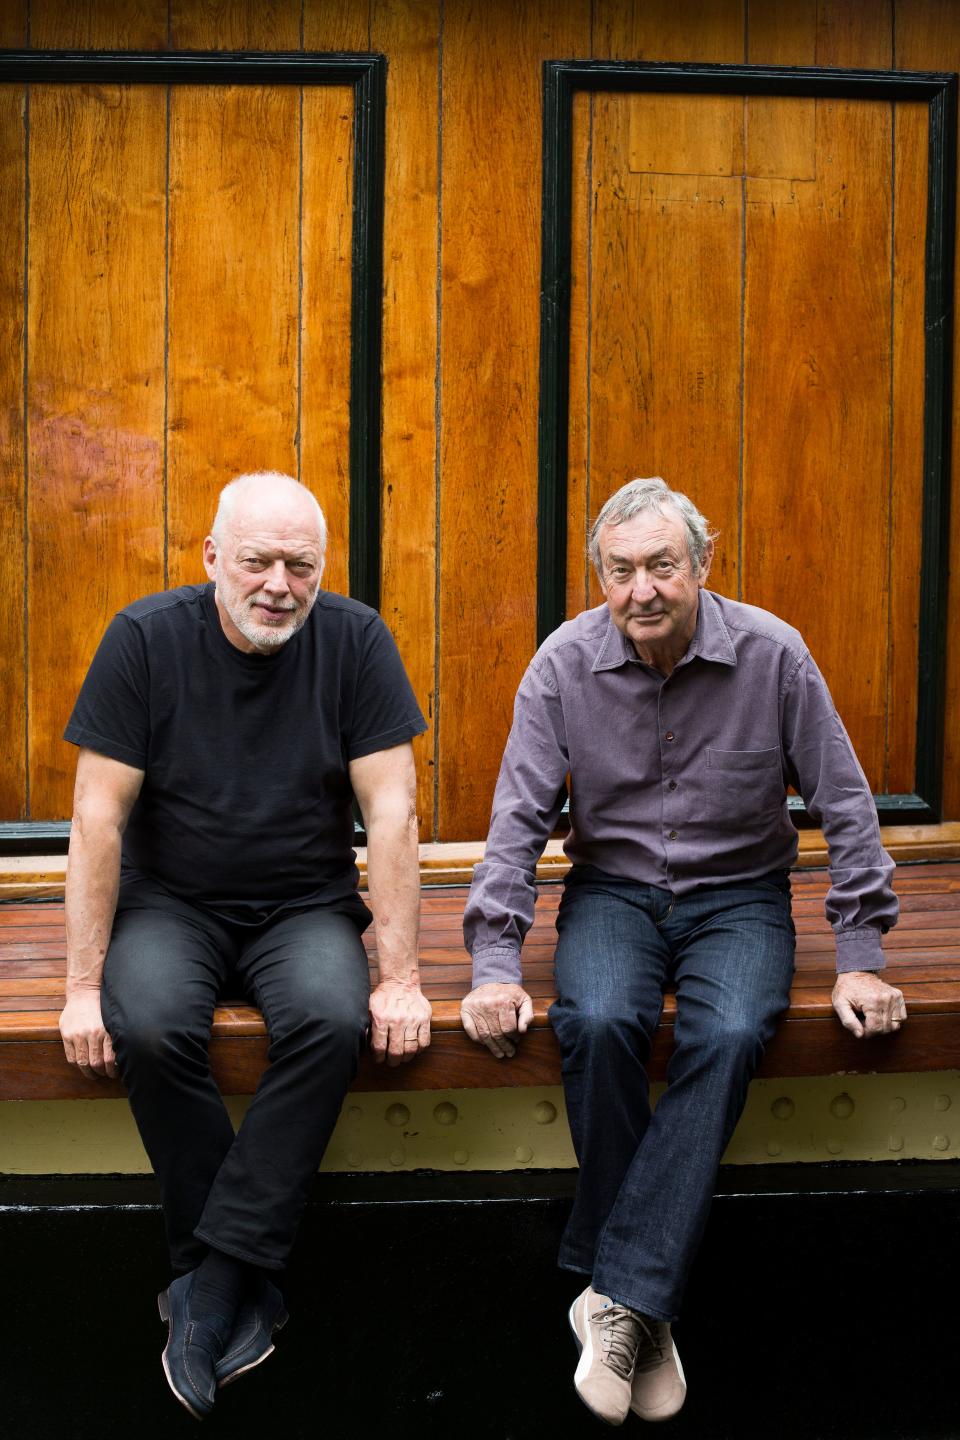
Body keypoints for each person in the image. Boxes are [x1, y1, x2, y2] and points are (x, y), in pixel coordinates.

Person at [460, 477, 905, 1427]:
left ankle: (613, 1292)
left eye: (663, 565)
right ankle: (646, 1309)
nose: (643, 589)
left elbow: (846, 803)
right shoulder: (562, 666)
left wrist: (860, 950)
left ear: (703, 566)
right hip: (613, 895)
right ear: (600, 579)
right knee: (598, 1017)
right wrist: (495, 964)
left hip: (739, 897)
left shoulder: (775, 655)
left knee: (737, 1026)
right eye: (621, 571)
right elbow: (516, 825)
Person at [57, 471, 431, 1420]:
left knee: (332, 1018)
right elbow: (97, 818)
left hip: (303, 903)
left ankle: (209, 1281)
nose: (278, 583)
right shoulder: (144, 640)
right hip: (170, 903)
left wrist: (401, 977)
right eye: (257, 560)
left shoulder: (355, 641)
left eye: (299, 565)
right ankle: (234, 1277)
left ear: (321, 569)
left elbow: (392, 811)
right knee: (142, 1023)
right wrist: (77, 985)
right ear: (213, 556)